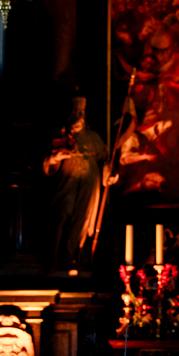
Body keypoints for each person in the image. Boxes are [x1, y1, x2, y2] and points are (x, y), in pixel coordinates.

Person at [43, 97, 114, 272]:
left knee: (81, 220)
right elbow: (49, 163)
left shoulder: (93, 137)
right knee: (61, 215)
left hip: (89, 183)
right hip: (68, 181)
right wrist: (55, 159)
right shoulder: (60, 136)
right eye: (75, 114)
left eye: (81, 114)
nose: (78, 118)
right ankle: (53, 258)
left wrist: (109, 172)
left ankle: (71, 258)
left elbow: (105, 160)